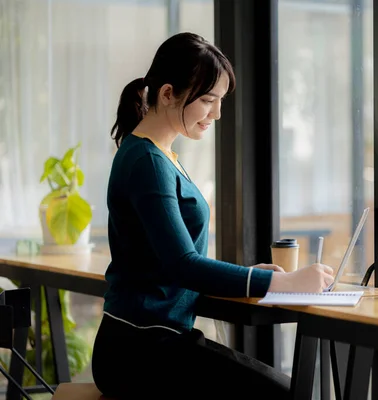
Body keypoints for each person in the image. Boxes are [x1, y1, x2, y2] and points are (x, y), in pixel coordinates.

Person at [91, 32, 335, 399]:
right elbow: (183, 265)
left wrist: (254, 276)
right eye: (208, 100)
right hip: (142, 351)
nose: (217, 113)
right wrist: (286, 283)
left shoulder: (157, 155)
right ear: (167, 93)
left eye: (219, 100)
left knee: (290, 390)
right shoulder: (148, 162)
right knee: (289, 394)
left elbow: (174, 260)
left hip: (153, 341)